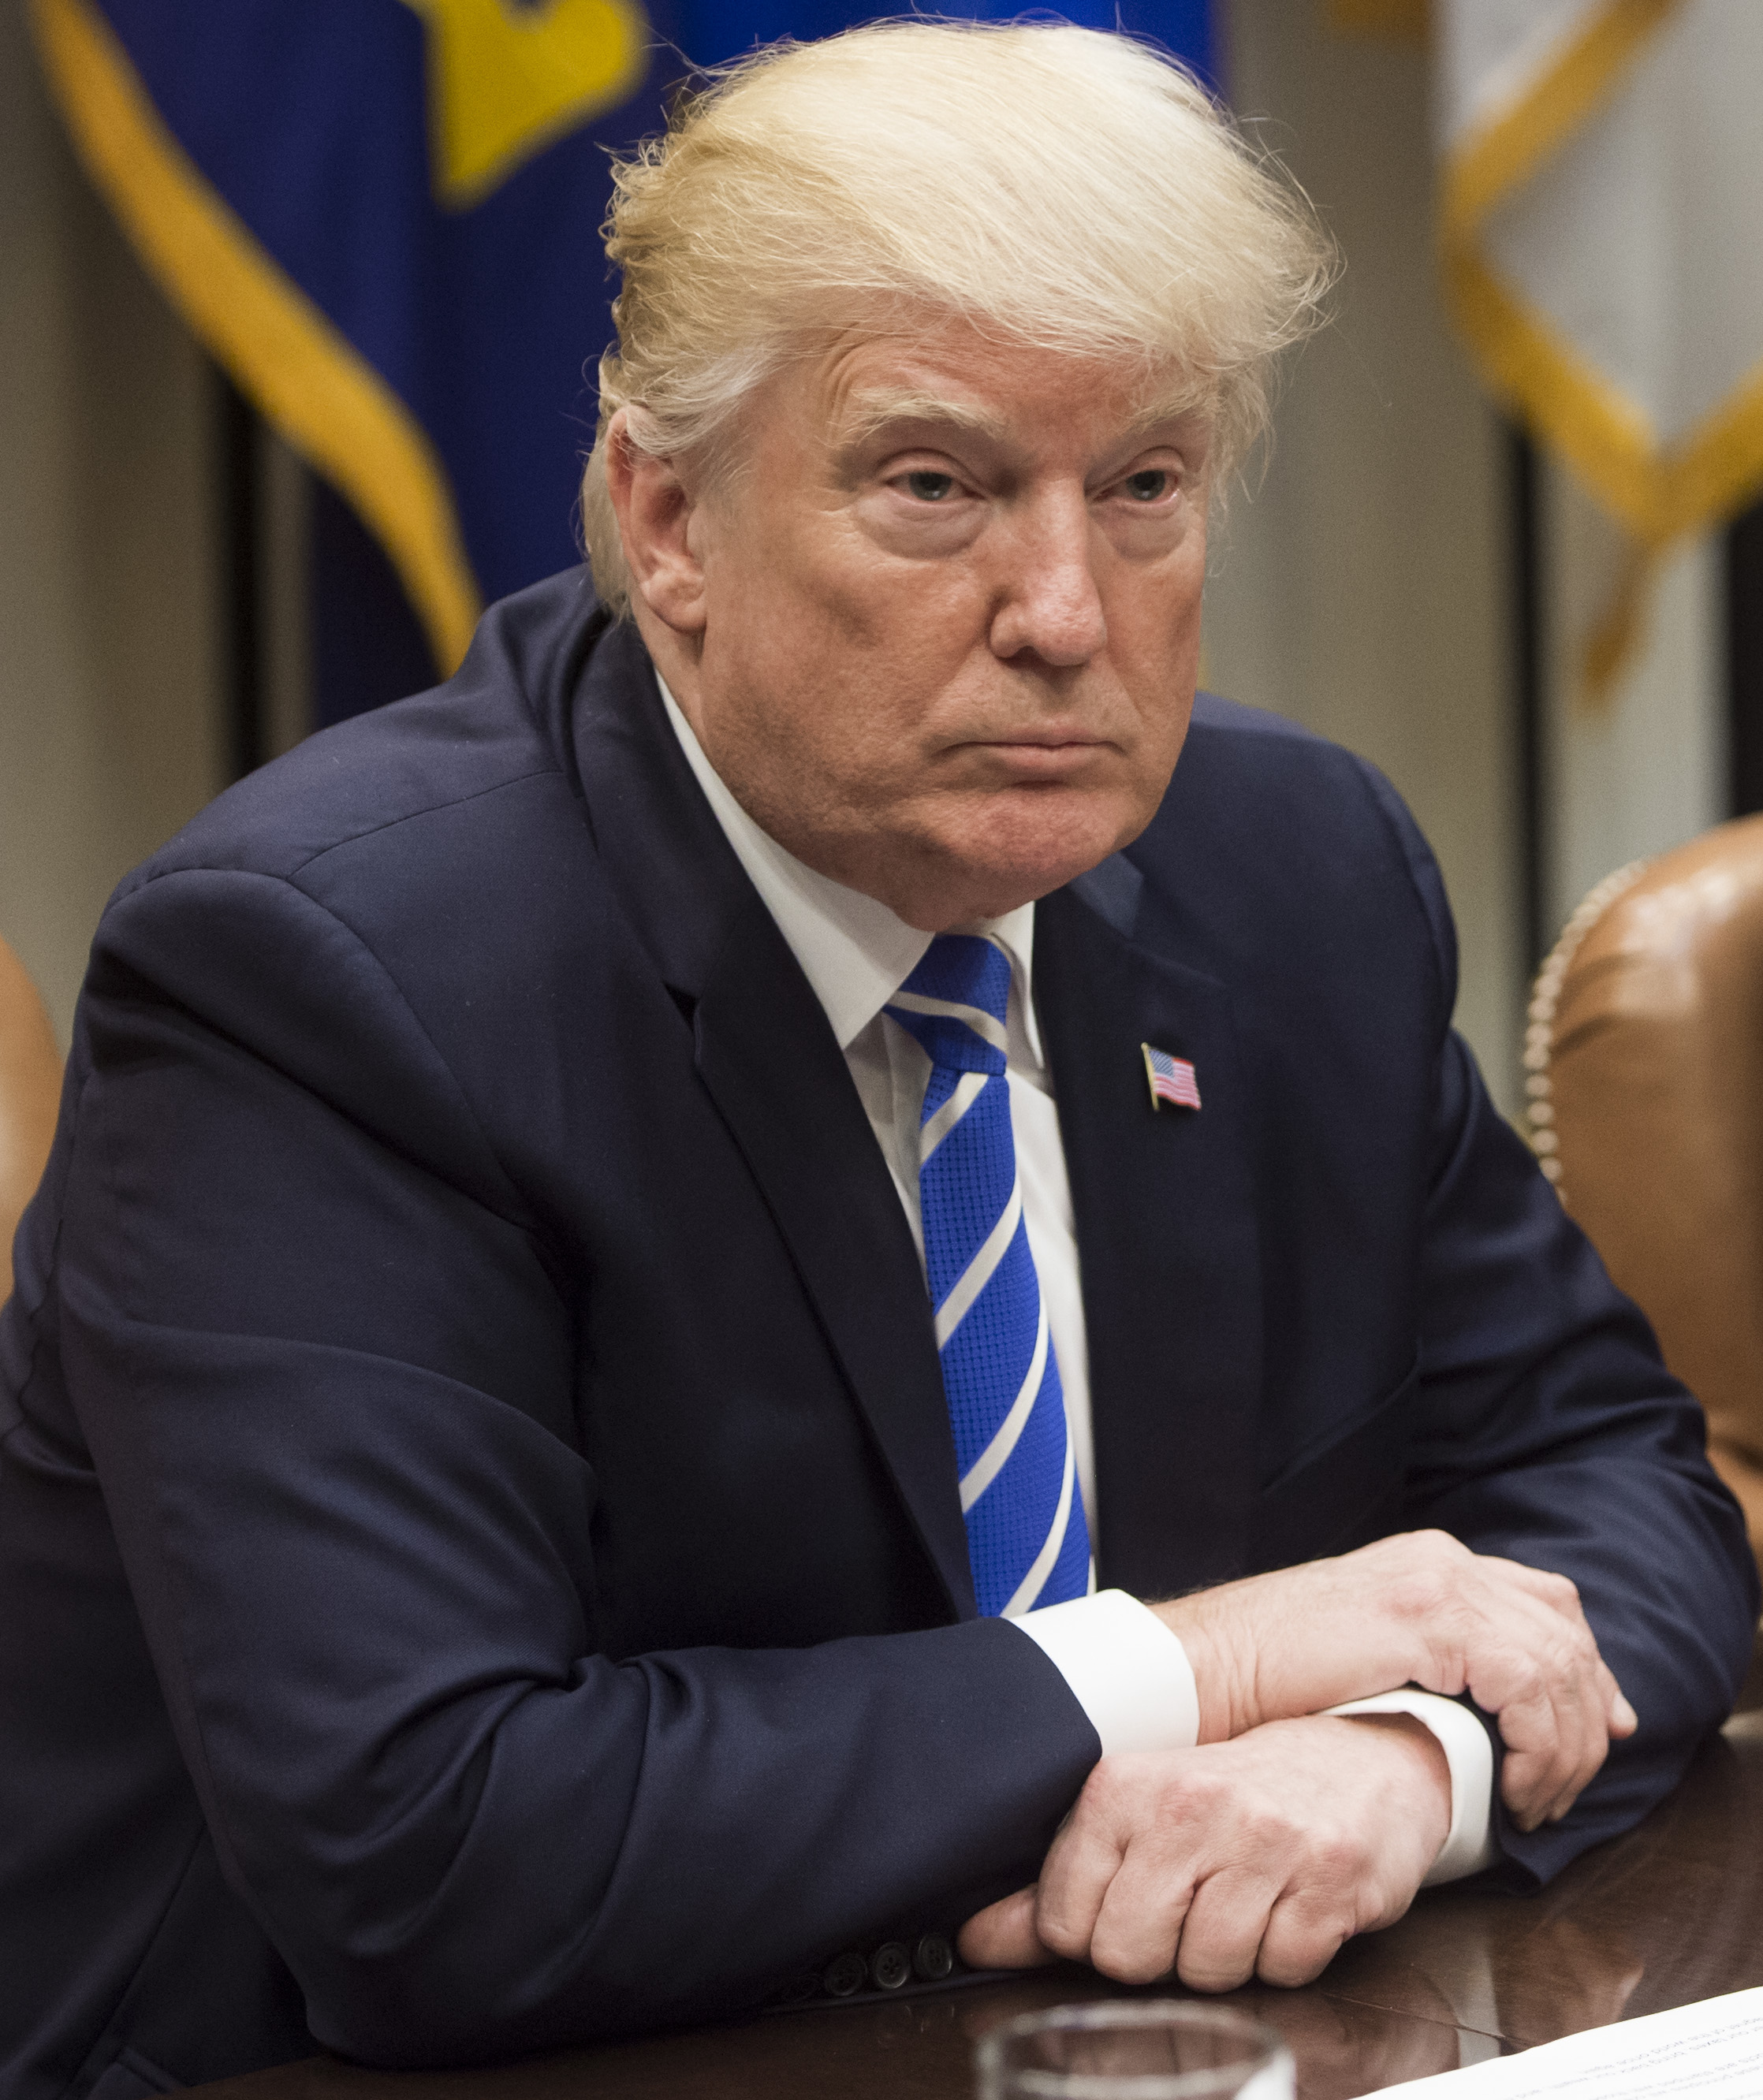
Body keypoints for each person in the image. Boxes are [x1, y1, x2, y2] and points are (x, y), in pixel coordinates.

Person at [0, 21, 1754, 2098]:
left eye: (1144, 489)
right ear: (666, 522)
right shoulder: (327, 980)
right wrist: (1203, 1667)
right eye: (933, 486)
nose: (1061, 611)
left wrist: (1406, 1757)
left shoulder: (1293, 879)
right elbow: (433, 1849)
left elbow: (1621, 1501)